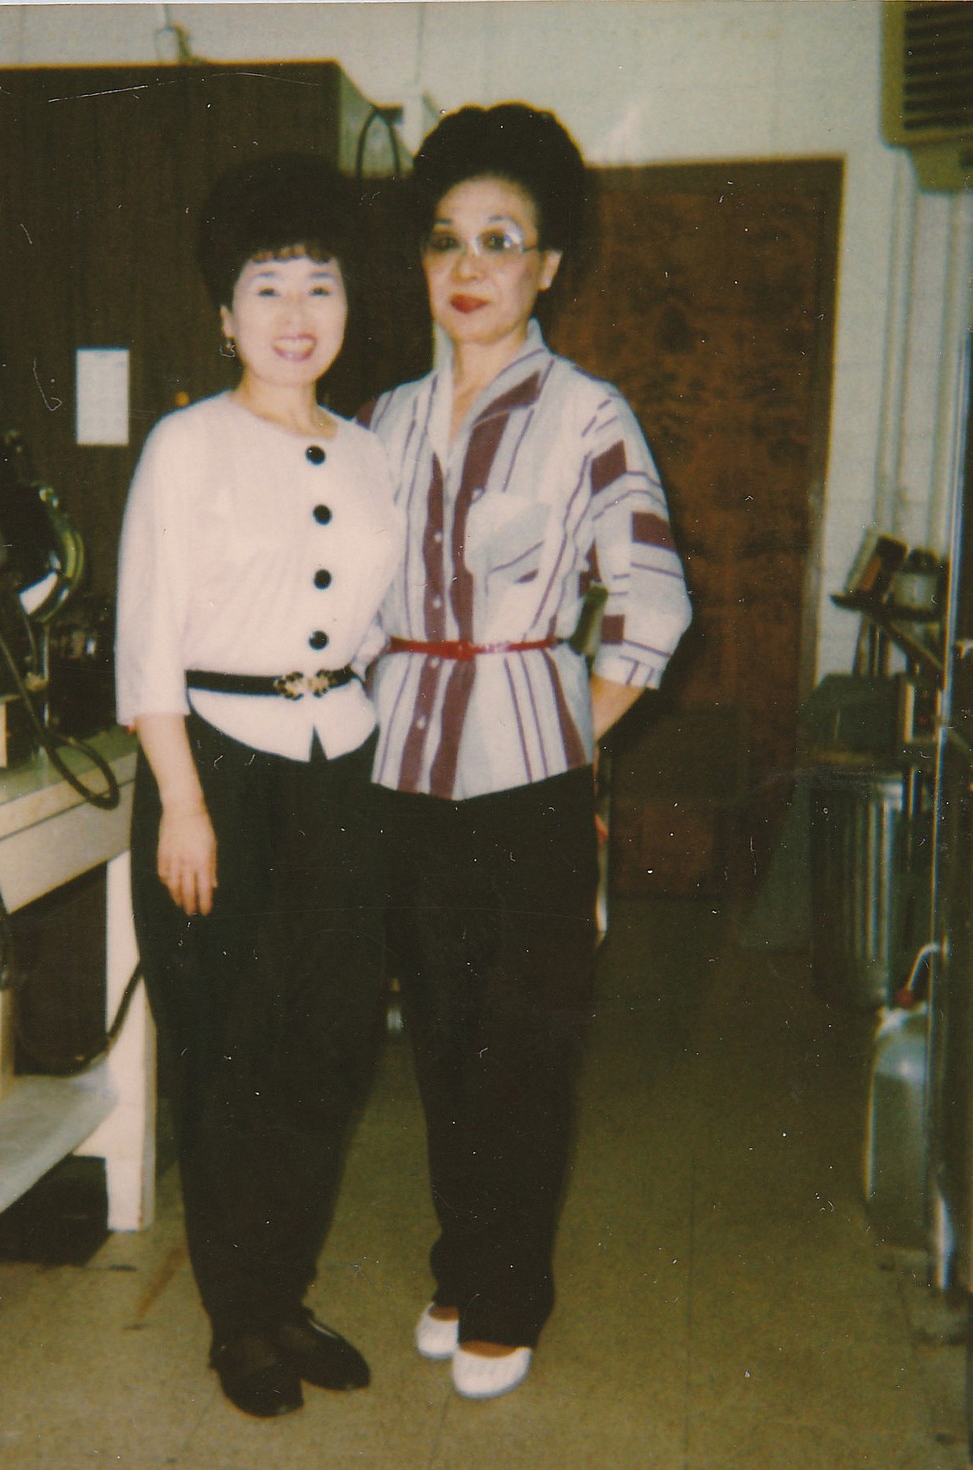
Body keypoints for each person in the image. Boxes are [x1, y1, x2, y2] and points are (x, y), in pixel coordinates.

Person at [363, 104, 692, 1400]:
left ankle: (508, 1294)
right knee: (440, 1042)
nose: (467, 264)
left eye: (499, 239)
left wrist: (569, 729)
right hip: (396, 775)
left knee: (522, 1048)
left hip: (528, 780)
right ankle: (459, 1263)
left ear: (547, 265)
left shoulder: (585, 414)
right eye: (444, 238)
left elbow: (651, 600)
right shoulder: (380, 419)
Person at [116, 153, 403, 1419]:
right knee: (226, 1051)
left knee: (329, 1048)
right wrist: (183, 799)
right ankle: (239, 1319)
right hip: (215, 770)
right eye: (268, 285)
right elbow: (146, 642)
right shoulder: (186, 443)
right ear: (225, 313)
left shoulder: (374, 451)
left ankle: (282, 1289)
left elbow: (387, 625)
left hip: (344, 765)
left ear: (348, 307)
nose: (297, 311)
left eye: (321, 284)